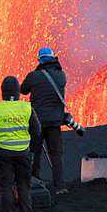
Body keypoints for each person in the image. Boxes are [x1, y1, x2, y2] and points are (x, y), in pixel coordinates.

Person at [0, 75, 41, 212]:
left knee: (6, 186)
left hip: (4, 154)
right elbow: (37, 131)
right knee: (24, 185)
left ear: (3, 91)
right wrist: (29, 145)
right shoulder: (27, 108)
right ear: (18, 92)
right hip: (23, 153)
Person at [20, 46, 68, 193]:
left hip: (38, 122)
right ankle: (59, 186)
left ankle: (34, 181)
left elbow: (23, 90)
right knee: (56, 153)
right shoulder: (61, 75)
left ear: (39, 60)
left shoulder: (34, 76)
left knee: (35, 152)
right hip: (55, 121)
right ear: (53, 58)